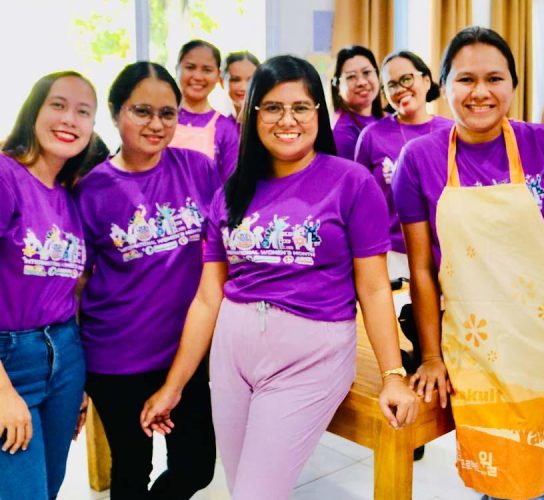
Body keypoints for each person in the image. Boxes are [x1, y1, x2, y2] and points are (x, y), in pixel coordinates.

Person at [139, 55, 418, 500]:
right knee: (242, 487)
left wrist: (392, 374)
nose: (287, 119)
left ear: (318, 114)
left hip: (311, 355)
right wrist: (174, 386)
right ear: (253, 114)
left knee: (255, 494)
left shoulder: (351, 182)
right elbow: (208, 297)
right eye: (272, 107)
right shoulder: (230, 191)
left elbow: (373, 287)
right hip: (232, 353)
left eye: (301, 107)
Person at [393, 26, 544, 500]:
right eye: (465, 80)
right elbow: (420, 269)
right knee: (501, 484)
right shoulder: (418, 159)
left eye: (494, 78)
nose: (480, 92)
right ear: (445, 86)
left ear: (514, 86)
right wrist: (433, 356)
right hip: (480, 355)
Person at [76, 62, 219, 500]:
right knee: (132, 468)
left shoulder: (198, 169)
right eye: (142, 111)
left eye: (168, 113)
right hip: (117, 358)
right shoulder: (91, 188)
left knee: (196, 466)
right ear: (116, 113)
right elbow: (77, 284)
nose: (156, 124)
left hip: (186, 350)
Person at [0, 71, 97, 500]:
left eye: (83, 111)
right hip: (9, 360)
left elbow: (70, 292)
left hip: (65, 357)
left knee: (49, 487)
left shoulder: (71, 194)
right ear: (34, 111)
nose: (69, 119)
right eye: (58, 105)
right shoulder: (5, 177)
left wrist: (77, 386)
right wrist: (2, 390)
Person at [354, 50, 452, 279]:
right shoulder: (371, 136)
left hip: (445, 247)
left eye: (407, 79)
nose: (401, 89)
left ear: (426, 80)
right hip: (392, 254)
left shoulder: (451, 132)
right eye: (392, 85)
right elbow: (360, 201)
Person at [170, 39, 240, 181]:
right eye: (190, 67)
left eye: (207, 70)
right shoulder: (160, 120)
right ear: (177, 69)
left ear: (217, 75)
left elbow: (231, 189)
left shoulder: (226, 129)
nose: (197, 77)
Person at [331, 45, 383, 160]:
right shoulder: (342, 131)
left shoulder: (385, 118)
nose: (362, 82)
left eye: (367, 72)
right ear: (337, 86)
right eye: (351, 77)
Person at [223, 51, 259, 121]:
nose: (244, 88)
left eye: (251, 80)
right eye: (235, 80)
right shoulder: (219, 124)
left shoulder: (269, 122)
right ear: (221, 82)